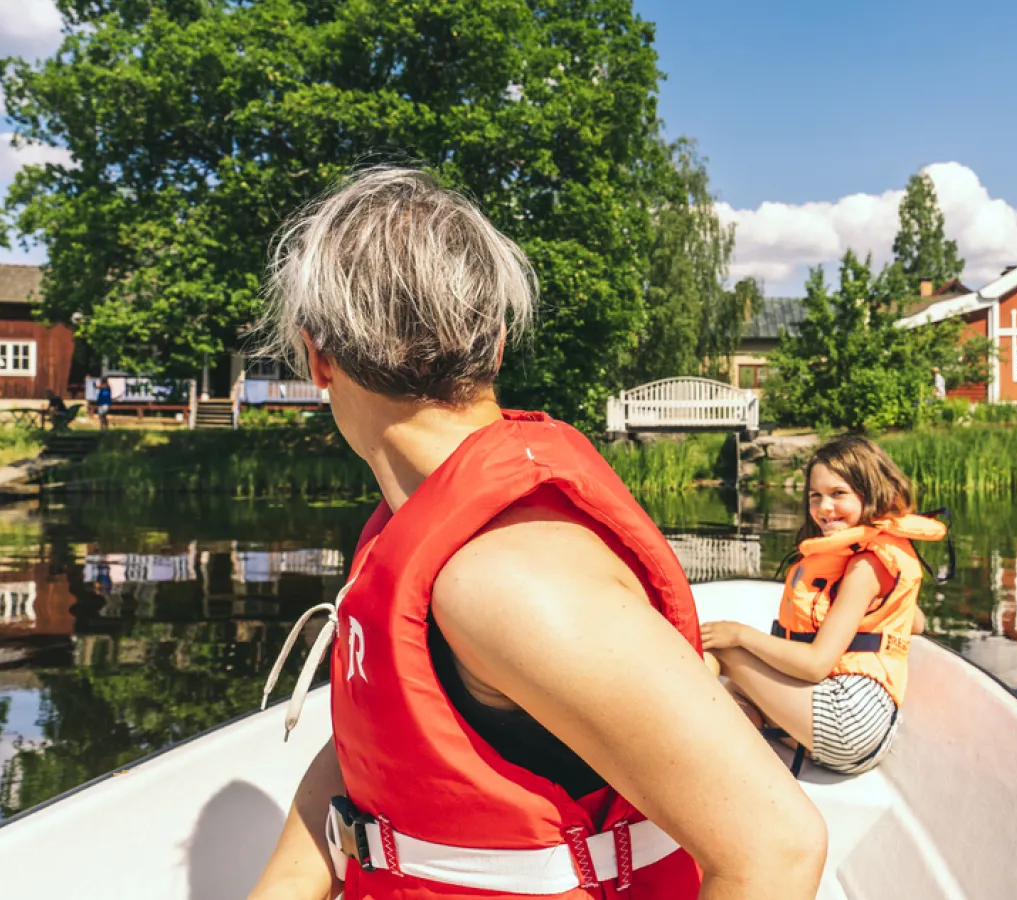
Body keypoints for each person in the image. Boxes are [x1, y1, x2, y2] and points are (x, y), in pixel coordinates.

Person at [247, 167, 824, 900]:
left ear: (315, 358)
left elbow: (776, 850)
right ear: (493, 345)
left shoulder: (506, 577)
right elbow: (369, 757)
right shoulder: (419, 530)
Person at [701, 435, 944, 776]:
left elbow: (816, 665)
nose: (823, 508)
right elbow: (915, 622)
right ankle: (740, 732)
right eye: (815, 496)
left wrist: (740, 635)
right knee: (738, 690)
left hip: (850, 723)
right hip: (866, 730)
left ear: (871, 492)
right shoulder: (873, 556)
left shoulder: (866, 567)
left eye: (838, 494)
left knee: (724, 651)